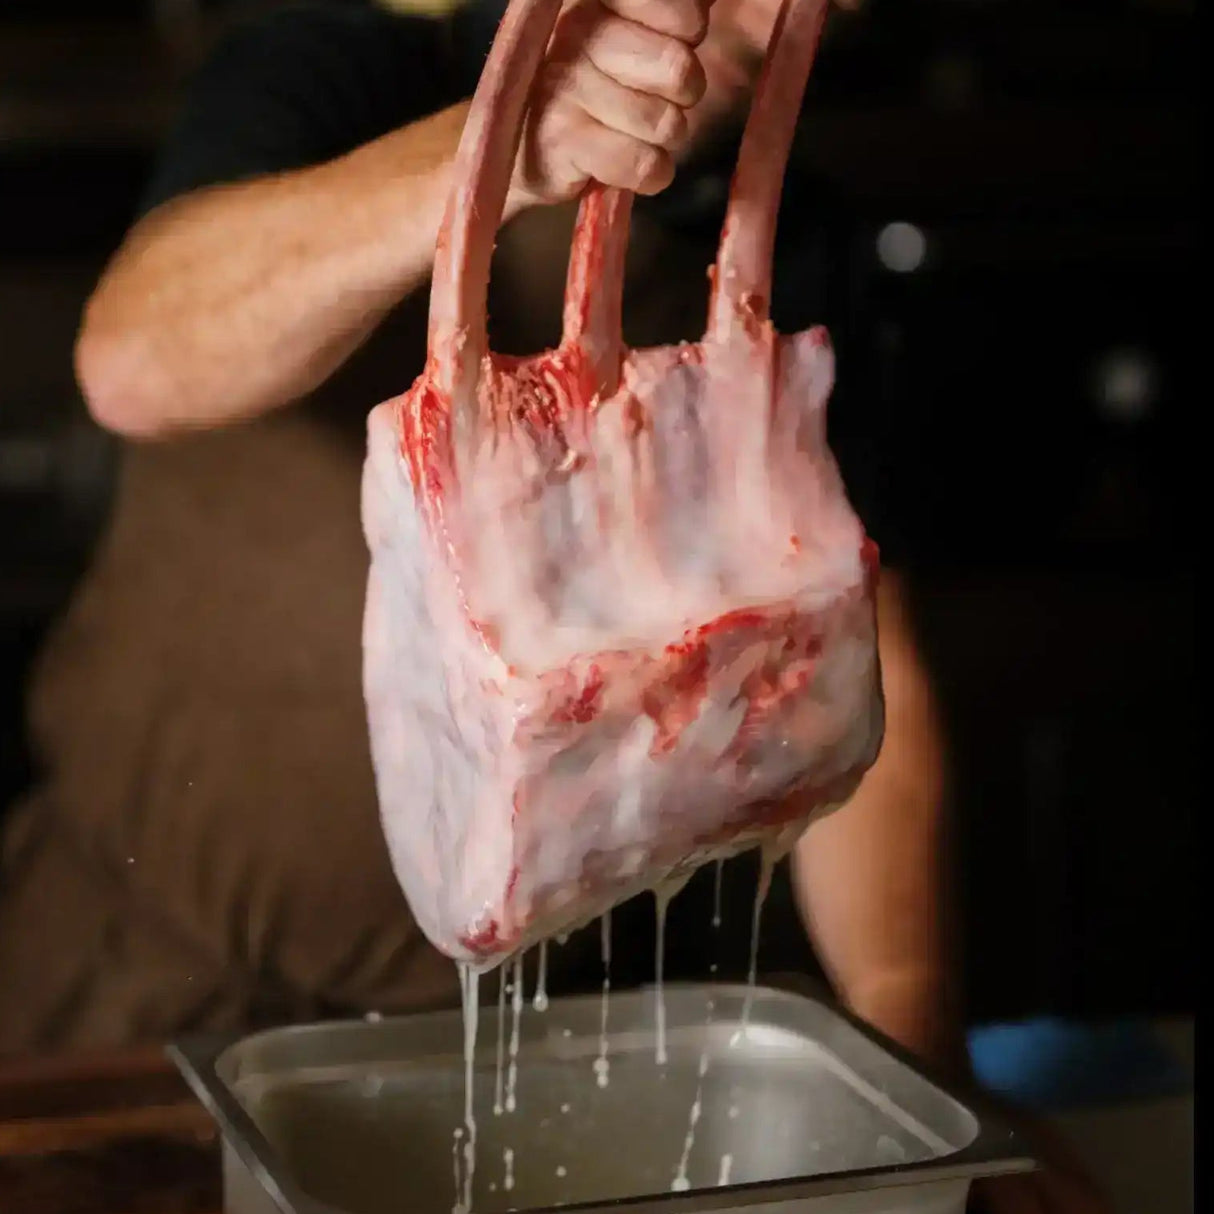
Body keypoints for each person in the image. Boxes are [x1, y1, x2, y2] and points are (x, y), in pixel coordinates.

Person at [0, 0, 1106, 1208]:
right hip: (132, 990)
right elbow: (136, 360)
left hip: (532, 1038)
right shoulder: (347, 62)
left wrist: (922, 1074)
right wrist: (499, 146)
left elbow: (844, 671)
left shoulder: (791, 235)